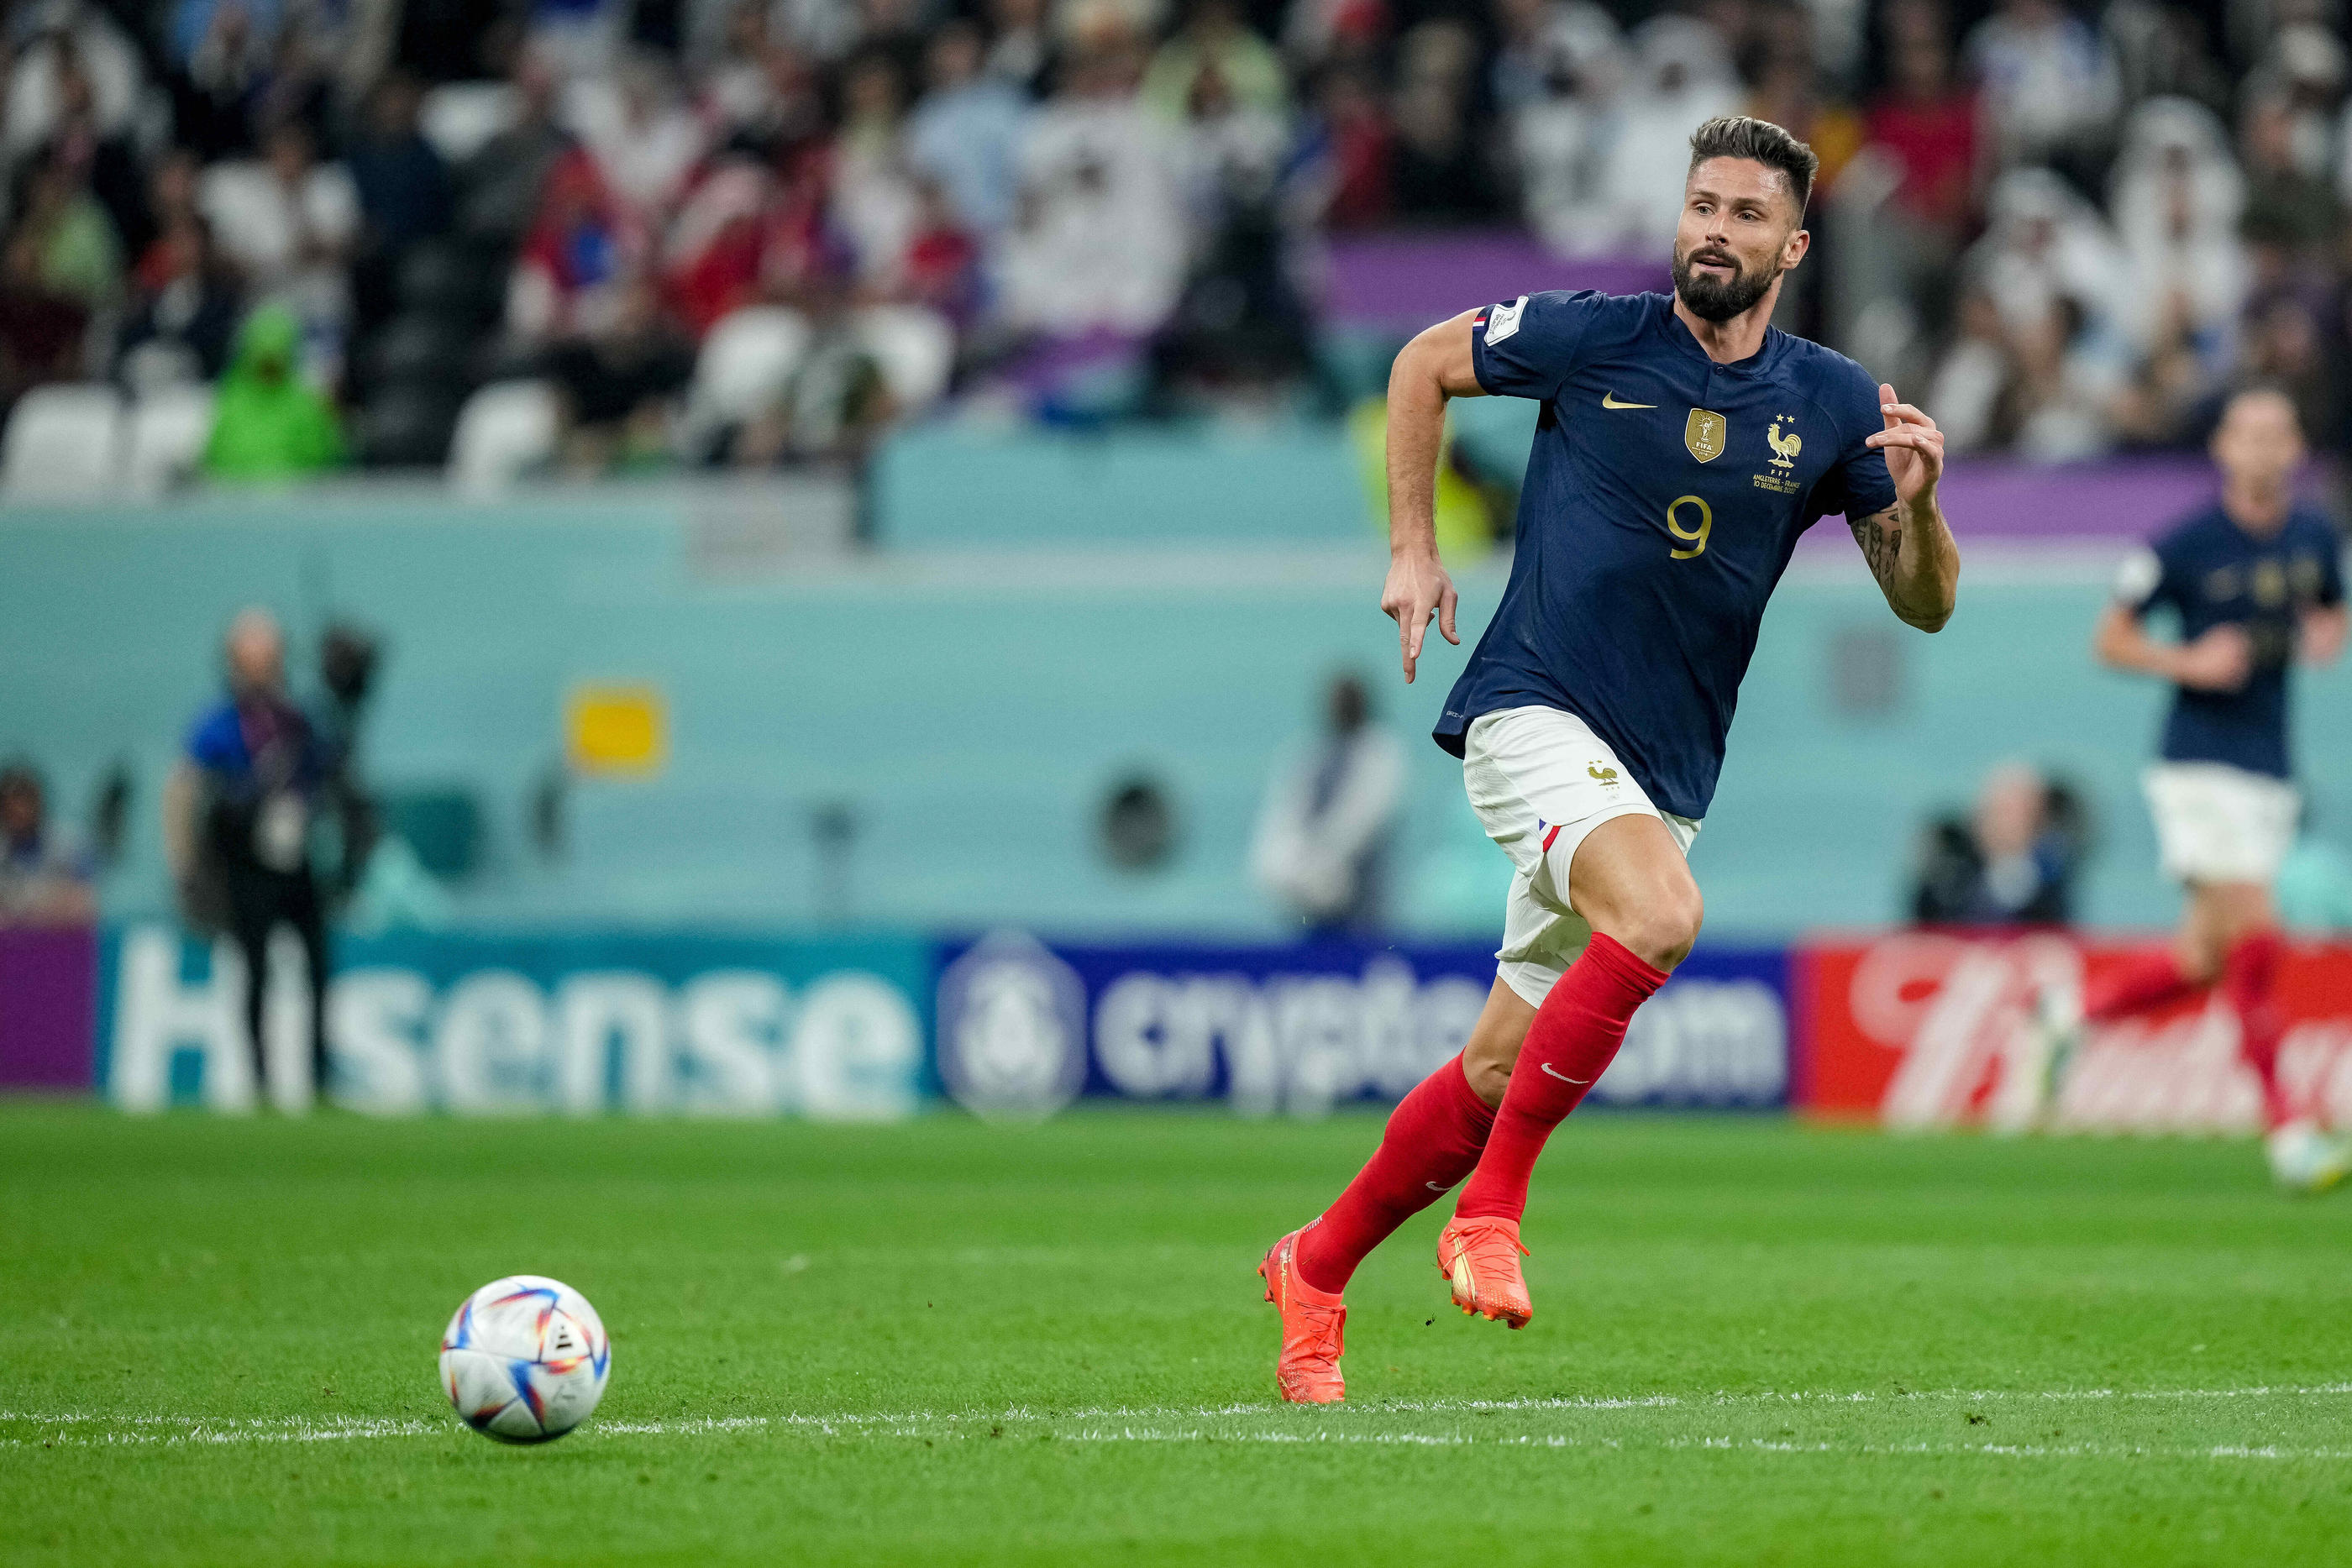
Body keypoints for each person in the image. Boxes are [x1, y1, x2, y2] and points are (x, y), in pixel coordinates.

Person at [1257, 115, 1960, 1403]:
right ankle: (1493, 1213)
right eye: (1701, 203)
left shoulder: (1837, 402)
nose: (1713, 229)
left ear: (1793, 245)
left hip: (1660, 772)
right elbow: (1420, 364)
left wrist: (1916, 508)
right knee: (1664, 912)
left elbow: (1922, 603)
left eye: (1747, 213)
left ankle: (1315, 1263)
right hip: (1531, 710)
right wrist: (1413, 549)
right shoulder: (1594, 336)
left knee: (1487, 1068)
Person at [2046, 386, 2349, 1192]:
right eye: (2247, 434)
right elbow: (2109, 639)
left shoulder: (2317, 532)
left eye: (2277, 434)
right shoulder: (2184, 545)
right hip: (2196, 764)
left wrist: (2326, 633)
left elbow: (2328, 608)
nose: (2261, 448)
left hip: (2271, 770)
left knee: (2205, 954)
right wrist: (2187, 661)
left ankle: (2066, 1019)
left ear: (2293, 451)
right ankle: (2290, 1134)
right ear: (2222, 448)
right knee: (2259, 931)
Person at [162, 608, 333, 1104]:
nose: (263, 668)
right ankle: (260, 1081)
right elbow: (183, 790)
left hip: (297, 860)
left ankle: (319, 1080)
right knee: (256, 970)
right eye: (253, 658)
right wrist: (185, 864)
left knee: (317, 967)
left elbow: (330, 770)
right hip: (246, 864)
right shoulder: (218, 725)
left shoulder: (298, 720)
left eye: (271, 657)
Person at [1250, 674, 1404, 934]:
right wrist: (1289, 865)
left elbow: (1361, 823)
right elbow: (1287, 816)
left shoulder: (1381, 754)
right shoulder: (1312, 754)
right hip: (1309, 892)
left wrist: (1321, 861)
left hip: (1363, 896)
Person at [202, 303, 344, 480]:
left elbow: (325, 461)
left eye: (276, 358)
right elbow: (213, 458)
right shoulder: (230, 401)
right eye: (264, 358)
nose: (269, 365)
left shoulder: (306, 406)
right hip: (237, 500)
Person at [0, 761, 96, 926]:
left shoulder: (68, 846)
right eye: (11, 803)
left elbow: (86, 905)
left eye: (25, 801)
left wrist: (30, 913)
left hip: (60, 944)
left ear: (38, 803)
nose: (19, 810)